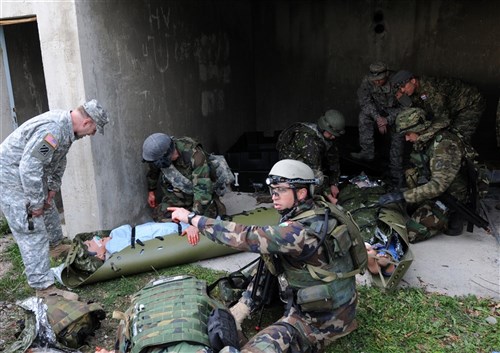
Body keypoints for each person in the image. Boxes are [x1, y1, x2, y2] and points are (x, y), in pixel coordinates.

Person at [170, 159, 363, 353]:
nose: (274, 196)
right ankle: (244, 306)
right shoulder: (321, 212)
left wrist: (192, 218)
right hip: (337, 304)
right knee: (269, 257)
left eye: (280, 190)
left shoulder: (296, 233)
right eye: (272, 189)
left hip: (321, 321)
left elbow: (244, 236)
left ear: (301, 193)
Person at [0, 99, 109, 300]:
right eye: (94, 129)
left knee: (47, 208)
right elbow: (29, 166)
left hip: (28, 174)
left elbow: (59, 158)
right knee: (31, 229)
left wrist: (51, 188)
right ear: (86, 123)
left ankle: (56, 246)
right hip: (12, 177)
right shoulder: (53, 130)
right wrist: (34, 203)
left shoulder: (66, 130)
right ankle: (44, 289)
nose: (92, 134)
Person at [378, 108, 471, 242]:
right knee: (407, 203)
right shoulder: (426, 139)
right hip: (439, 189)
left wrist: (403, 196)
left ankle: (454, 214)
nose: (406, 138)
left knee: (412, 233)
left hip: (454, 195)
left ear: (419, 129)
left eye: (408, 133)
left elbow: (438, 186)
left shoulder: (445, 146)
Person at [142, 133, 226, 221]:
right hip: (179, 198)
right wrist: (151, 191)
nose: (155, 164)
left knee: (204, 221)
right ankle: (185, 213)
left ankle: (213, 206)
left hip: (199, 196)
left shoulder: (196, 155)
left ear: (166, 156)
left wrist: (193, 219)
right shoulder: (160, 156)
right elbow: (153, 171)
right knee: (158, 215)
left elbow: (202, 190)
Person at [390, 70, 485, 146]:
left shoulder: (432, 91)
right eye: (400, 88)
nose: (402, 90)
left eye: (403, 86)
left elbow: (443, 120)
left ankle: (466, 166)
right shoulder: (418, 89)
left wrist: (421, 136)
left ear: (413, 81)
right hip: (451, 107)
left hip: (470, 103)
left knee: (458, 137)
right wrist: (403, 100)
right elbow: (420, 108)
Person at [351, 62, 405, 187]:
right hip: (379, 111)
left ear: (386, 75)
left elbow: (406, 107)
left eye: (379, 80)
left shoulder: (398, 81)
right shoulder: (367, 81)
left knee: (400, 129)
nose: (376, 82)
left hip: (396, 113)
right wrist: (378, 118)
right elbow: (365, 102)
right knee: (364, 116)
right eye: (374, 80)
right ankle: (367, 152)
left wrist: (388, 119)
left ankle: (395, 170)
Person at [276, 109, 345, 204]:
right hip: (290, 169)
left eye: (335, 135)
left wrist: (334, 183)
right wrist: (331, 198)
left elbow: (334, 161)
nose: (334, 137)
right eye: (331, 134)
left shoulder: (327, 138)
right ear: (323, 128)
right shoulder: (308, 141)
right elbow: (316, 173)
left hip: (309, 163)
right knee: (315, 183)